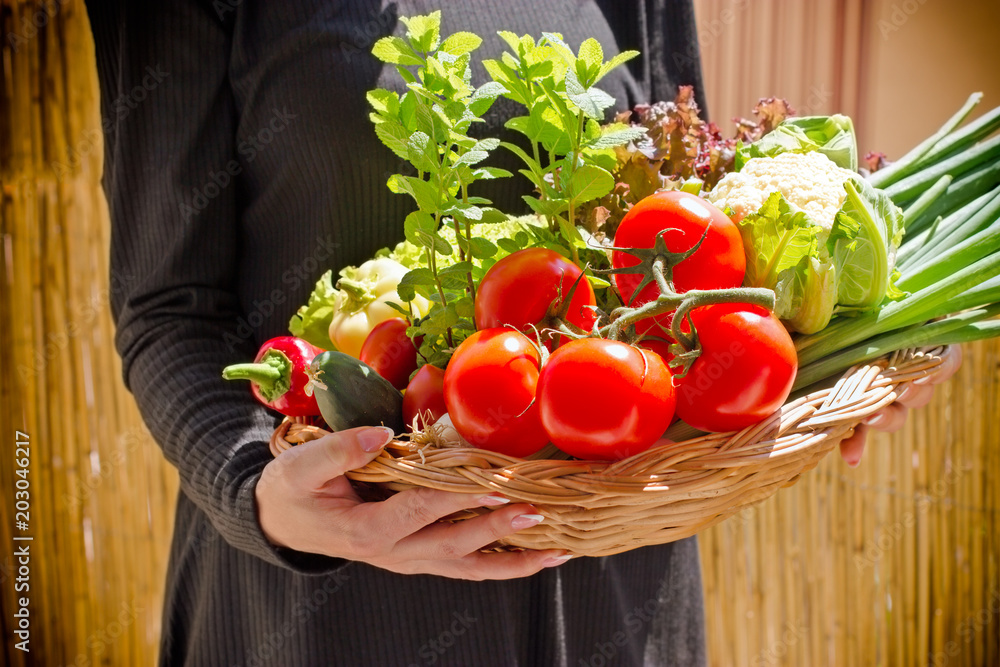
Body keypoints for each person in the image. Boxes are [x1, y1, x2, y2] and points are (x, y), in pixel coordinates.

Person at [84, 2, 960, 665]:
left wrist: (857, 344)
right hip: (327, 601)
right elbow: (168, 307)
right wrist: (255, 493)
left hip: (619, 595)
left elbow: (677, 224)